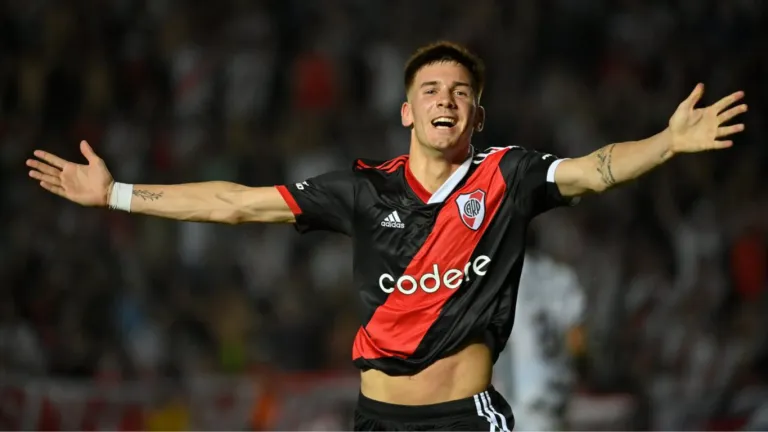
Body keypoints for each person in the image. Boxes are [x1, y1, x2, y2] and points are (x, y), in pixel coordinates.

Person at [26, 41, 746, 431]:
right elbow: (235, 204)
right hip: (375, 421)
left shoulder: (509, 176)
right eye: (431, 90)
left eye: (461, 92)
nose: (445, 100)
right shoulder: (363, 190)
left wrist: (667, 142)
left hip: (467, 420)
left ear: (477, 116)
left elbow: (594, 170)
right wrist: (115, 193)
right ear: (406, 112)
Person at [493, 230, 586, 431]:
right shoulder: (561, 276)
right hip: (555, 391)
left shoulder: (501, 277)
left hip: (521, 397)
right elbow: (576, 340)